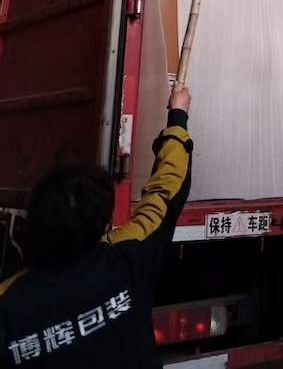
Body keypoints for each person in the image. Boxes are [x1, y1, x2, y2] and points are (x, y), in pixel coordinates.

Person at [0, 84, 193, 368]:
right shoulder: (127, 260)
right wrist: (178, 117)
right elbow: (165, 191)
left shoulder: (9, 305)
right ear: (102, 224)